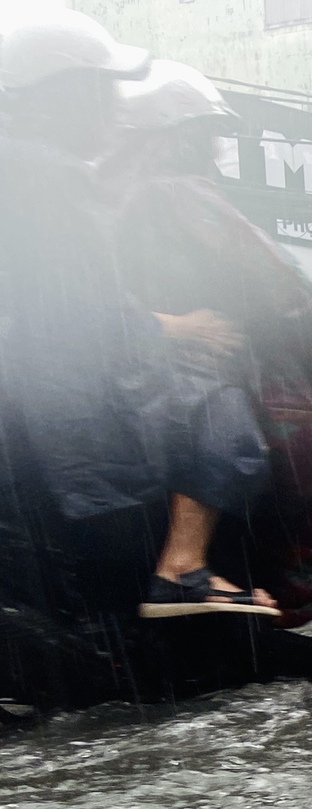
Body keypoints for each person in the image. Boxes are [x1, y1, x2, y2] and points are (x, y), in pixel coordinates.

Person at [102, 59, 312, 688]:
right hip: (259, 386)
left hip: (154, 388)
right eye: (210, 133)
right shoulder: (183, 194)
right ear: (183, 136)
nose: (219, 146)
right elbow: (279, 282)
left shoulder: (112, 206)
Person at [0, 10, 277, 621]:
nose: (115, 109)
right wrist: (174, 328)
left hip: (34, 398)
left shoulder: (31, 167)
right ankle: (184, 566)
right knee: (218, 396)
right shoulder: (55, 176)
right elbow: (78, 311)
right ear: (64, 98)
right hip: (59, 411)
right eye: (104, 92)